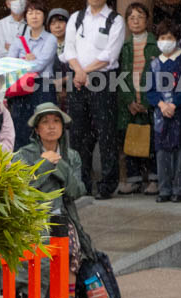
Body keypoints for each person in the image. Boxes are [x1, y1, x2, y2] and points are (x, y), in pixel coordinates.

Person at [14, 102, 91, 298]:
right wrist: (43, 164)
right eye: (45, 122)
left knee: (71, 252)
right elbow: (20, 187)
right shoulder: (24, 154)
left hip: (63, 216)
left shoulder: (71, 156)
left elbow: (77, 191)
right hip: (33, 216)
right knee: (36, 255)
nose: (51, 126)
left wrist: (60, 165)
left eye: (56, 121)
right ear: (37, 130)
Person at [64, 0, 126, 199]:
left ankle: (107, 184)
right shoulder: (76, 18)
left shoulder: (115, 20)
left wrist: (85, 71)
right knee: (78, 133)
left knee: (106, 132)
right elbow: (69, 49)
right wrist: (79, 71)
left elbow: (110, 54)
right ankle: (82, 183)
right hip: (78, 79)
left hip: (103, 79)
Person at [147, 21, 181, 203]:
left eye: (169, 38)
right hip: (161, 114)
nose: (166, 41)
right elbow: (150, 90)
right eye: (162, 38)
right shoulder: (154, 64)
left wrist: (174, 104)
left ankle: (179, 189)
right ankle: (164, 189)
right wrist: (161, 104)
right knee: (162, 153)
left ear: (176, 40)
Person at [116, 3, 160, 196]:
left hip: (150, 100)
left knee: (152, 141)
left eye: (139, 17)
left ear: (147, 20)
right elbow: (119, 77)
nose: (135, 21)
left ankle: (154, 179)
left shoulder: (156, 45)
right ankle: (133, 180)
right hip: (130, 102)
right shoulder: (123, 46)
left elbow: (161, 77)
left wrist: (149, 101)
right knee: (131, 138)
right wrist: (129, 101)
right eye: (131, 17)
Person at [7, 0, 59, 150]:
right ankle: (21, 169)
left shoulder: (50, 39)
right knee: (20, 129)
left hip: (43, 87)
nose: (34, 16)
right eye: (30, 13)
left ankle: (45, 167)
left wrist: (22, 62)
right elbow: (10, 63)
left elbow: (41, 64)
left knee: (44, 129)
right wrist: (28, 61)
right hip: (21, 88)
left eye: (38, 12)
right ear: (25, 17)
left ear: (44, 16)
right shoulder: (18, 40)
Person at [48, 9, 72, 111]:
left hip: (73, 91)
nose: (57, 26)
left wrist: (62, 81)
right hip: (50, 92)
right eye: (53, 23)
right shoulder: (45, 46)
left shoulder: (75, 44)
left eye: (61, 22)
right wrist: (57, 87)